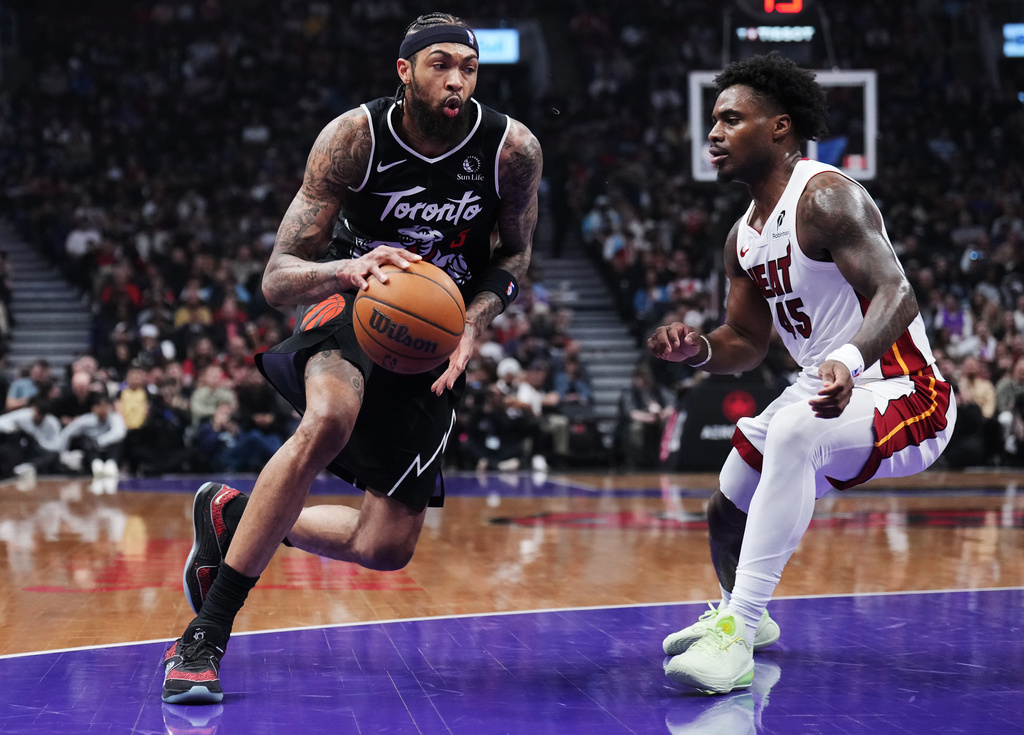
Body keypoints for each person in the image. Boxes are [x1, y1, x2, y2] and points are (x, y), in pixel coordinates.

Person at [161, 12, 542, 705]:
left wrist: (473, 323)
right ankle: (206, 634)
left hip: (429, 333)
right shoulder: (354, 138)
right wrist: (350, 266)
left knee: (386, 545)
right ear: (404, 71)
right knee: (329, 417)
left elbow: (513, 257)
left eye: (468, 66)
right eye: (439, 65)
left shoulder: (510, 149)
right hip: (353, 307)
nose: (456, 79)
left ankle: (233, 513)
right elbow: (278, 277)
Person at [647, 54, 955, 695]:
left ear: (780, 127)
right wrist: (698, 349)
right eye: (713, 121)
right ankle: (742, 616)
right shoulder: (741, 238)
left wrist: (846, 359)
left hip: (905, 390)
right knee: (726, 502)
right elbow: (747, 342)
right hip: (823, 388)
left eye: (732, 119)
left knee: (791, 438)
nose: (714, 133)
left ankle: (736, 633)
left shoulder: (824, 196)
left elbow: (898, 294)